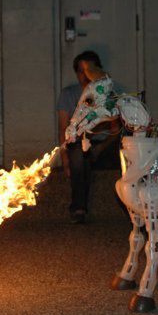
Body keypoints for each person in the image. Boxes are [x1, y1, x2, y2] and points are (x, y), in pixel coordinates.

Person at [57, 51, 120, 224]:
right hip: (79, 145)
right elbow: (63, 128)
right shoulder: (68, 94)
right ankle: (78, 208)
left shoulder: (106, 92)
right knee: (78, 156)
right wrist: (65, 160)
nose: (84, 75)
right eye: (80, 71)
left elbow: (116, 129)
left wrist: (100, 146)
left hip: (103, 145)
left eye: (89, 70)